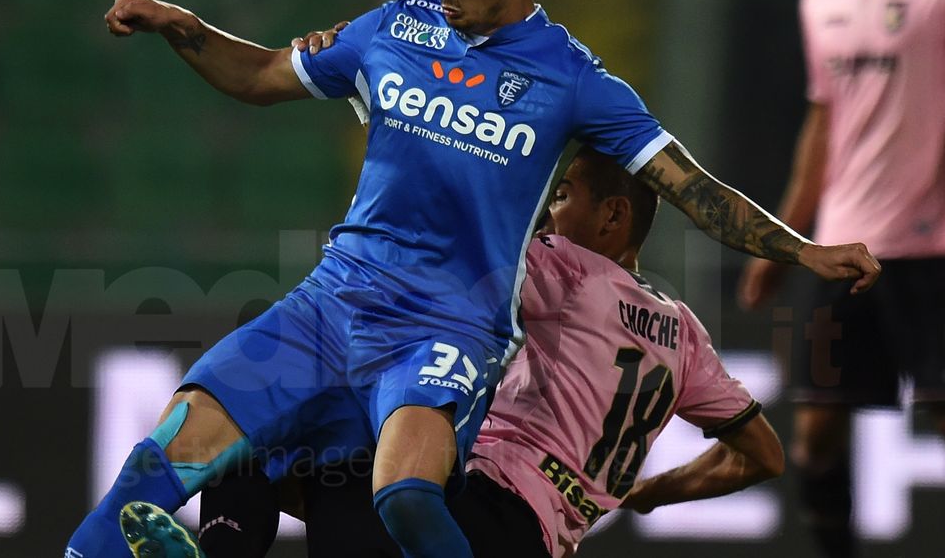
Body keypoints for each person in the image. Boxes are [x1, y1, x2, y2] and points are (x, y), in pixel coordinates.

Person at [69, 0, 878, 558]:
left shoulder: (573, 82)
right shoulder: (394, 29)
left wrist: (804, 251)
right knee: (172, 449)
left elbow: (694, 188)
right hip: (334, 301)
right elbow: (262, 75)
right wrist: (184, 27)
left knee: (408, 500)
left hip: (445, 328)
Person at [198, 145, 785, 558]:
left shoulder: (568, 269)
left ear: (614, 214)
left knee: (251, 443)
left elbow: (463, 240)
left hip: (476, 506)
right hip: (535, 539)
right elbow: (761, 455)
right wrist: (652, 493)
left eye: (561, 195)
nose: (549, 212)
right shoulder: (683, 331)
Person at [736, 0, 945, 558]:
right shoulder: (819, 0)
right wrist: (779, 240)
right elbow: (822, 127)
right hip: (840, 251)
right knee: (815, 432)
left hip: (931, 251)